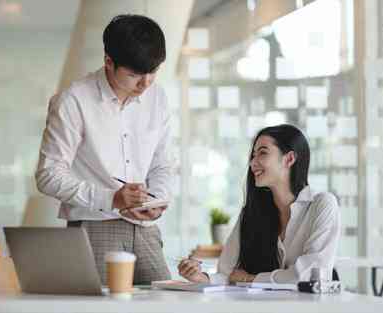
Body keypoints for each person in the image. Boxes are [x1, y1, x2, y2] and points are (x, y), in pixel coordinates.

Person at [35, 14, 172, 284]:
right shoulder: (73, 101)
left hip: (146, 229)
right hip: (93, 229)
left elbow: (163, 163)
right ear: (109, 61)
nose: (145, 84)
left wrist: (157, 198)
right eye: (134, 75)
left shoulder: (157, 97)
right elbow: (48, 175)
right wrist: (111, 199)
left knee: (165, 304)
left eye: (152, 73)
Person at [178, 124, 341, 284]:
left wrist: (251, 279)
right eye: (253, 155)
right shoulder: (252, 213)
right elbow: (227, 274)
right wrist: (201, 278)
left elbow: (311, 275)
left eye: (262, 153)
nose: (252, 163)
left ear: (289, 159)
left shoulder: (322, 205)